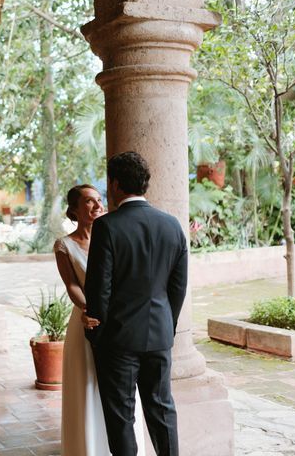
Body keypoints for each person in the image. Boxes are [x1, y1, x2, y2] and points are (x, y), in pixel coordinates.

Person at [84, 152, 188, 456]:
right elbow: (178, 287)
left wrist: (97, 334)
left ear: (115, 184)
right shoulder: (172, 225)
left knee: (121, 418)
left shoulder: (107, 227)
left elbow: (99, 288)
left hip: (117, 339)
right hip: (159, 335)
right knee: (162, 410)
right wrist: (167, 326)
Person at [54, 184, 145, 456]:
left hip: (119, 322)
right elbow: (72, 285)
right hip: (86, 322)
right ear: (74, 209)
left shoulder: (114, 235)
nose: (97, 205)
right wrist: (89, 309)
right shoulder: (65, 245)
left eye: (99, 200)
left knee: (122, 386)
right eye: (89, 202)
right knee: (87, 385)